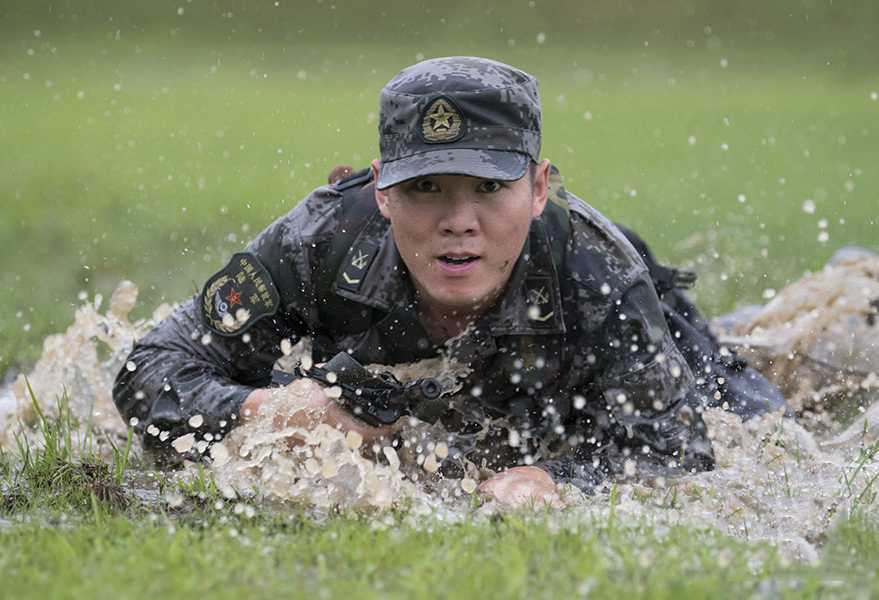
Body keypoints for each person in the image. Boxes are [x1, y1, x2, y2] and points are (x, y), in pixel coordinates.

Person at [113, 56, 786, 507]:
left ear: (539, 188)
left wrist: (557, 479)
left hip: (661, 340)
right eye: (426, 188)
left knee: (770, 408)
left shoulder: (598, 275)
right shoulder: (319, 240)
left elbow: (678, 451)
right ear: (381, 191)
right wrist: (266, 413)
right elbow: (149, 370)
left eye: (491, 187)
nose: (459, 223)